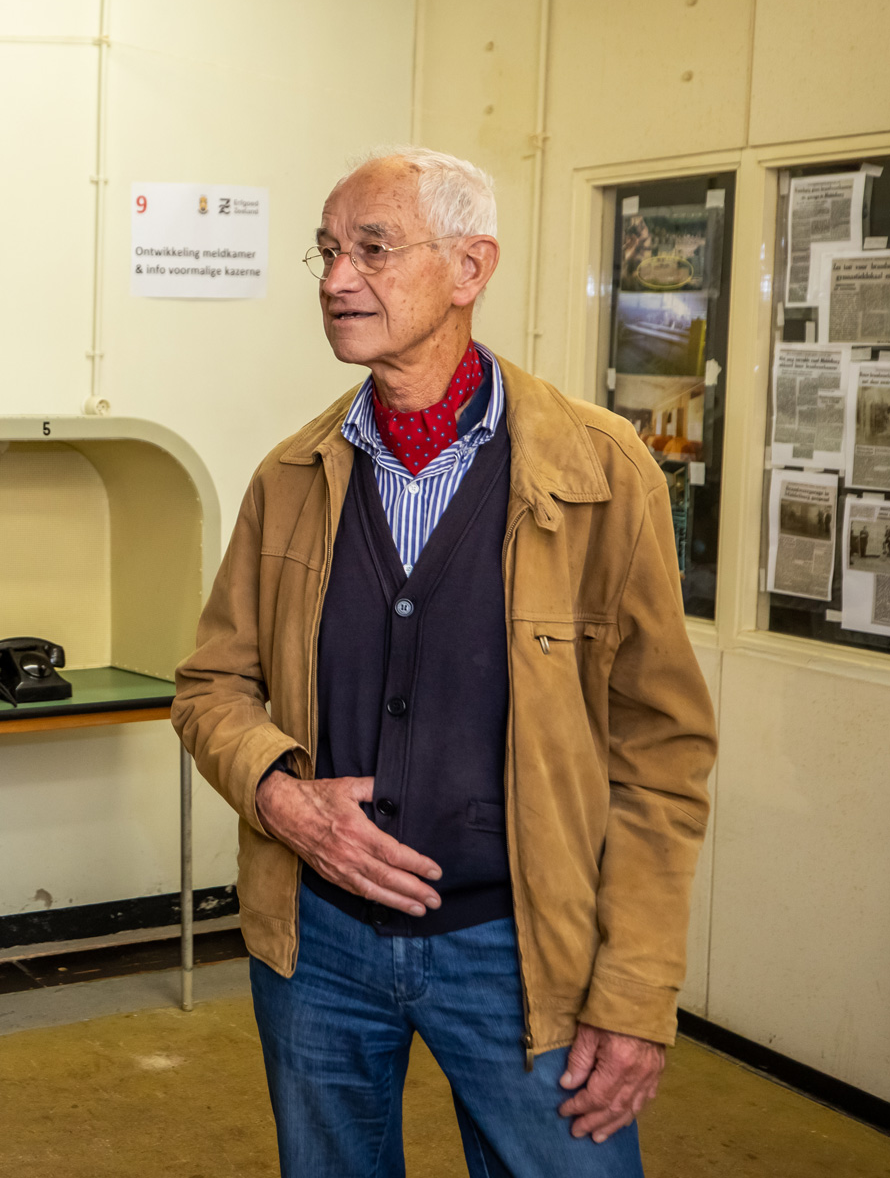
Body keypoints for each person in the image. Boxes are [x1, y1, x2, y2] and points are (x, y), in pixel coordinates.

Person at [172, 147, 716, 1177]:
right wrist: (284, 799)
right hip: (318, 946)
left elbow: (663, 754)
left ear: (471, 268)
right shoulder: (290, 477)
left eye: (373, 249)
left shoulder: (602, 474)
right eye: (328, 251)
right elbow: (212, 686)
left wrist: (635, 990)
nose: (337, 279)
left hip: (525, 950)